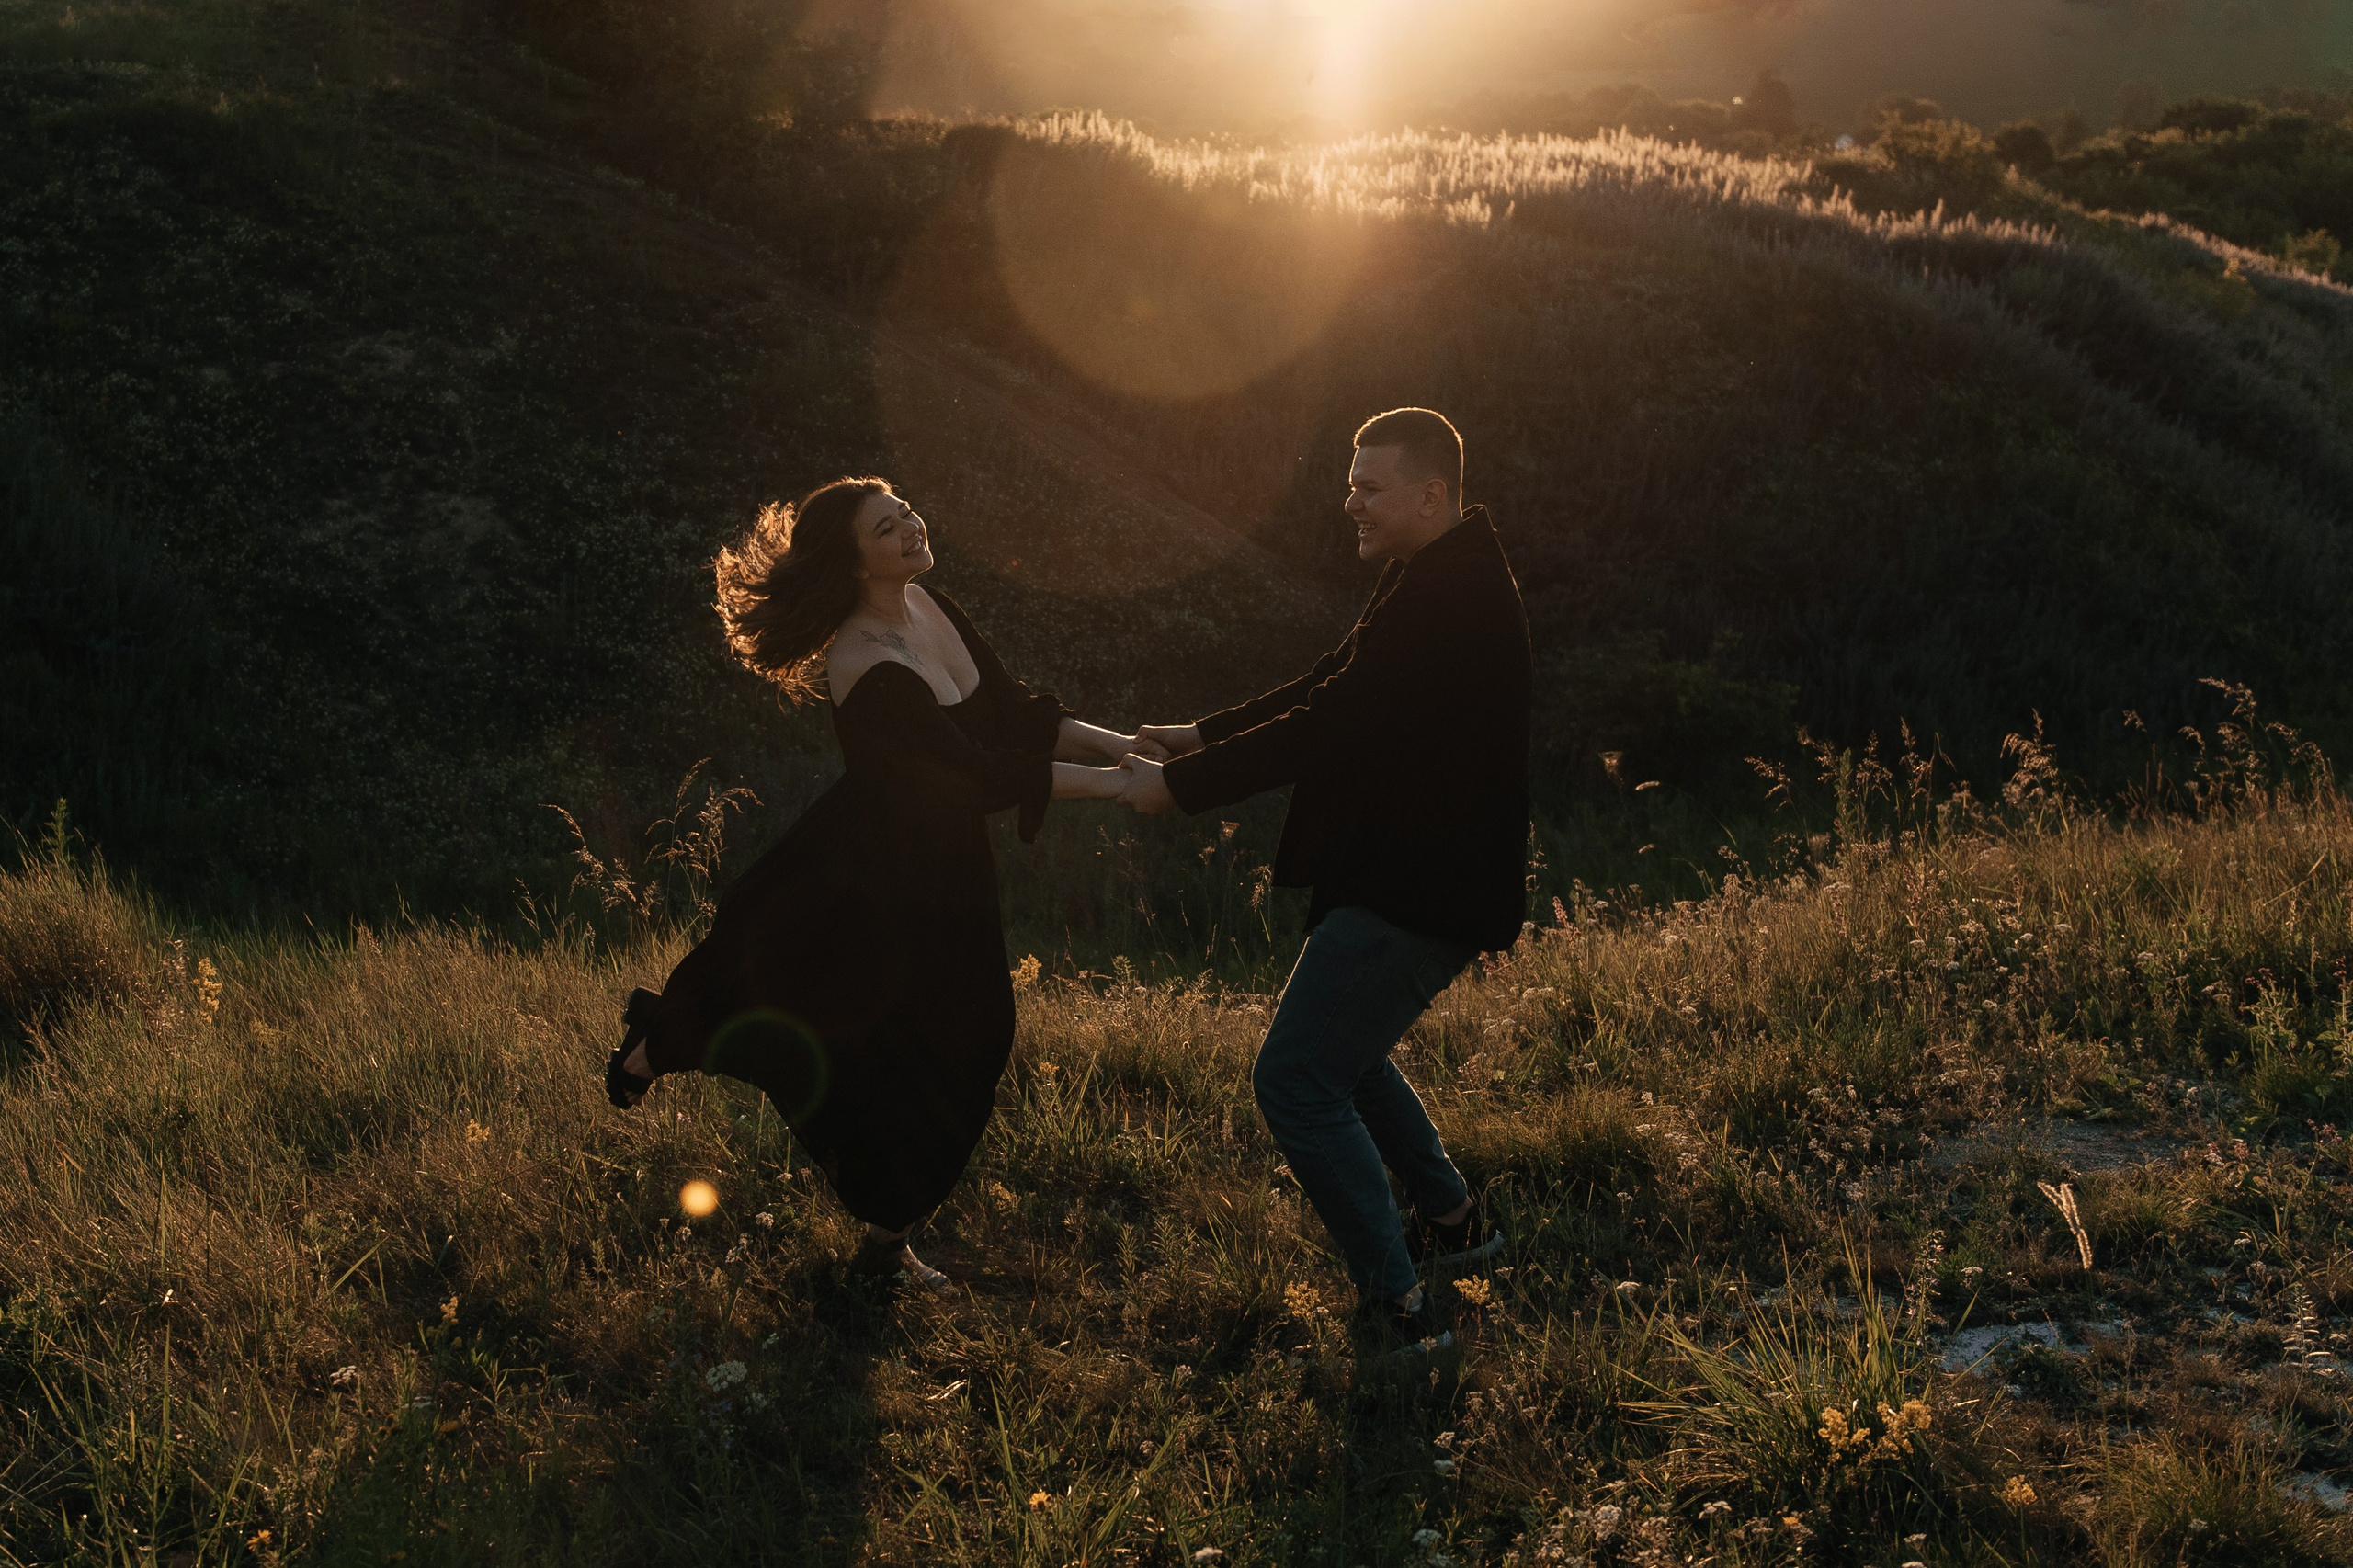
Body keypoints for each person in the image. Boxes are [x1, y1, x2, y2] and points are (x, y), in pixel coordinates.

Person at [602, 476, 1147, 1291]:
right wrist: (1118, 787)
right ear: (854, 564)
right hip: (867, 877)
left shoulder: (934, 605)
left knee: (965, 1034)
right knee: (838, 1028)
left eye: (907, 513)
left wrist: (1127, 746)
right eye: (887, 529)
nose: (911, 530)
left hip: (941, 868)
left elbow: (1010, 712)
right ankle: (655, 1050)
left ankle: (883, 1233)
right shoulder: (863, 659)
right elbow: (973, 773)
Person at [1120, 408, 1532, 1353]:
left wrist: (1181, 787)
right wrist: (1202, 735)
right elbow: (1332, 680)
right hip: (1404, 874)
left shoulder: (1452, 596)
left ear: (1431, 494)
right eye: (1350, 481)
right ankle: (1458, 1227)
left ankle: (1397, 1309)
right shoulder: (1435, 568)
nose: (1349, 499)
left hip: (1420, 890)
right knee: (1347, 1051)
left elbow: (1332, 719)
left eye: (1369, 485)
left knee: (1298, 1079)